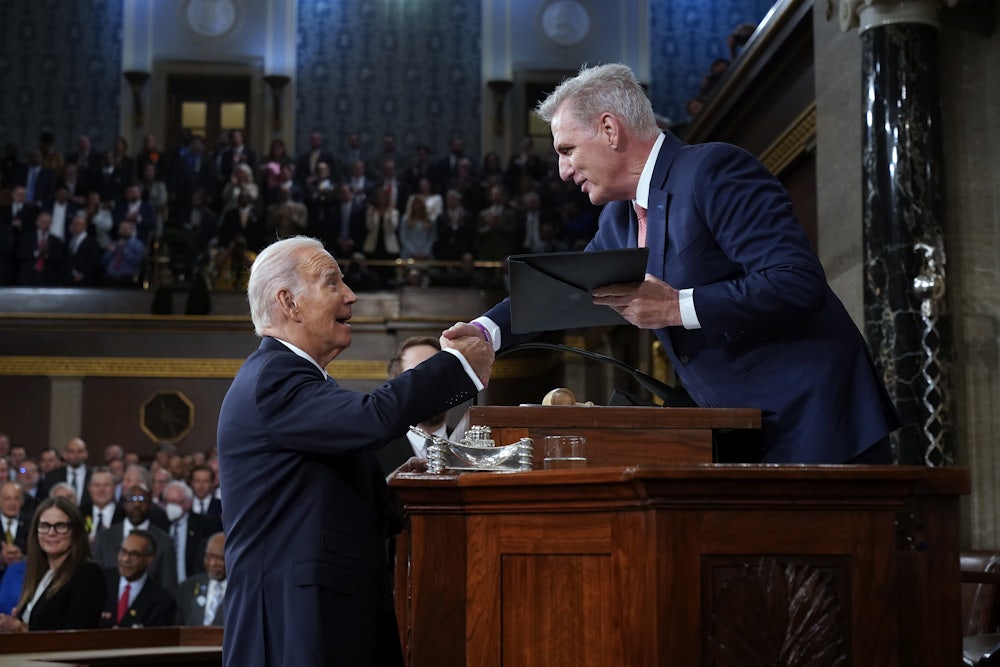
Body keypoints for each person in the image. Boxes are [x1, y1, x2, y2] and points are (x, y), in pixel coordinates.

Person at [442, 63, 900, 465]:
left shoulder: (713, 171)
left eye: (566, 150)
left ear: (609, 129)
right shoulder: (619, 219)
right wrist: (485, 333)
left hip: (819, 425)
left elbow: (797, 282)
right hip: (746, 434)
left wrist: (677, 307)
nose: (563, 171)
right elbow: (559, 291)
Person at [216, 235, 494, 666]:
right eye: (332, 283)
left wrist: (402, 493)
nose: (351, 296)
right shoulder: (274, 378)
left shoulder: (300, 381)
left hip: (326, 621)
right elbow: (373, 417)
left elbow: (324, 502)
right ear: (288, 302)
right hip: (292, 628)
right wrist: (455, 365)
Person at [0, 497, 105, 632]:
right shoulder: (40, 571)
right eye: (44, 526)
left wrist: (21, 628)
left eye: (61, 526)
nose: (51, 533)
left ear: (75, 531)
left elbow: (76, 639)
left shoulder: (88, 574)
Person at [376, 336, 471, 477]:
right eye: (417, 376)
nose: (430, 384)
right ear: (396, 388)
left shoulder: (469, 450)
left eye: (439, 373)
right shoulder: (374, 452)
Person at [91, 483, 177, 592]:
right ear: (125, 504)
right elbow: (95, 579)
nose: (137, 504)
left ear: (151, 505)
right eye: (132, 499)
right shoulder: (104, 537)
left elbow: (168, 587)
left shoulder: (164, 542)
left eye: (142, 499)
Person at [99, 529, 177, 628]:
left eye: (133, 555)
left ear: (149, 559)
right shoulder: (100, 582)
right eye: (123, 552)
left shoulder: (162, 601)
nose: (125, 559)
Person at [176, 532, 226, 626]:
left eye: (220, 558)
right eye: (208, 556)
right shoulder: (188, 587)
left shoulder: (243, 590)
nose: (212, 564)